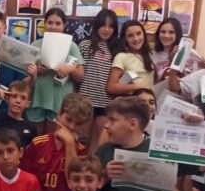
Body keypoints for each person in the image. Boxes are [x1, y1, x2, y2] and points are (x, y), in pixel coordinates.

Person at [20, 93, 90, 191]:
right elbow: (23, 178)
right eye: (68, 119)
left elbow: (74, 182)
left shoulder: (82, 151)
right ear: (59, 115)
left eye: (78, 123)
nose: (72, 126)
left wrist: (70, 143)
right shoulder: (38, 144)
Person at [25, 8, 84, 130]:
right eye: (50, 22)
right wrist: (36, 70)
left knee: (53, 137)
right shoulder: (35, 45)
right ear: (44, 24)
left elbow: (80, 77)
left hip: (59, 100)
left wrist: (70, 69)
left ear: (64, 26)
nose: (53, 27)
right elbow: (25, 76)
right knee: (35, 137)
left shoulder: (71, 46)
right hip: (37, 98)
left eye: (58, 23)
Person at [77, 9, 119, 144]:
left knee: (100, 144)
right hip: (84, 101)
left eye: (110, 26)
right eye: (103, 25)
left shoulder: (117, 50)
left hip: (105, 103)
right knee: (81, 142)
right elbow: (78, 74)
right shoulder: (85, 45)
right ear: (97, 26)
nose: (106, 30)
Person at [106, 18, 154, 97]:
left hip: (149, 101)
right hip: (132, 101)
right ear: (125, 39)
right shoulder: (121, 56)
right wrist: (137, 87)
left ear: (144, 34)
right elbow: (111, 88)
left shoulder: (150, 55)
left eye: (138, 33)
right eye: (130, 36)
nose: (136, 39)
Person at [0, 80, 39, 147]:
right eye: (14, 96)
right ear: (7, 98)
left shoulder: (31, 128)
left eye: (23, 98)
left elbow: (33, 150)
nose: (18, 101)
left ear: (28, 104)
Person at [151, 17, 202, 83]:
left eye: (171, 32)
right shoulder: (153, 56)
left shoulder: (190, 53)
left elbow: (199, 78)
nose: (166, 36)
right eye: (163, 32)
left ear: (177, 34)